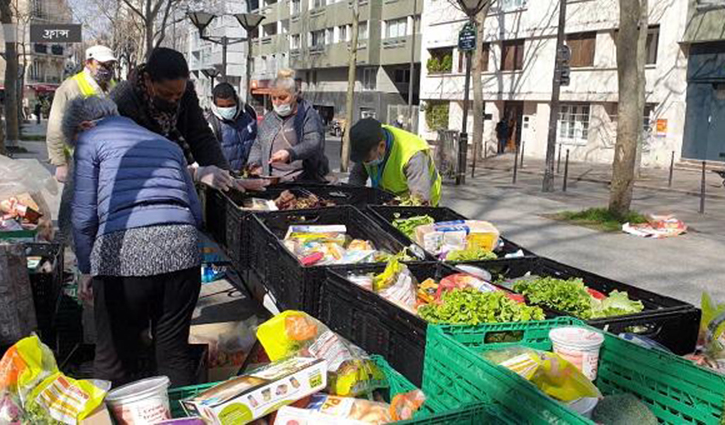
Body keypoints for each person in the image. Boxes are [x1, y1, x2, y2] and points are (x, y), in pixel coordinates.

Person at [65, 96, 203, 388]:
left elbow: (83, 216)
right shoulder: (167, 145)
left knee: (113, 359)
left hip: (121, 253)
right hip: (183, 251)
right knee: (174, 355)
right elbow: (196, 210)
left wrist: (87, 268)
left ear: (86, 125)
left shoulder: (90, 140)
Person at [112, 47, 248, 193]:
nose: (173, 101)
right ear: (147, 80)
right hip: (136, 185)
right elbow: (132, 159)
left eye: (178, 95)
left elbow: (201, 136)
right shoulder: (123, 99)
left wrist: (226, 176)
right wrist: (195, 174)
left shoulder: (188, 94)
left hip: (179, 181)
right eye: (166, 94)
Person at [47, 45, 118, 248]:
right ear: (88, 62)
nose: (107, 69)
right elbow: (55, 126)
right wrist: (59, 162)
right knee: (74, 207)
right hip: (78, 157)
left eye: (111, 65)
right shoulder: (70, 87)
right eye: (103, 64)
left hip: (106, 158)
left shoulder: (112, 86)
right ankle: (72, 248)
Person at [247, 69, 330, 182]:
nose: (277, 102)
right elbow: (258, 144)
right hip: (273, 179)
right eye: (274, 98)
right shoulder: (268, 119)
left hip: (303, 179)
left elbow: (313, 142)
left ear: (294, 96)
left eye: (282, 97)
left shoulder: (308, 115)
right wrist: (254, 163)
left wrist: (290, 153)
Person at [349, 118, 441, 206]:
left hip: (422, 199)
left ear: (382, 146)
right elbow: (357, 175)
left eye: (367, 160)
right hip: (390, 200)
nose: (365, 163)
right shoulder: (370, 141)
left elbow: (420, 201)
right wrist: (353, 197)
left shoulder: (412, 156)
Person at [205, 82, 257, 171]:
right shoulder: (210, 123)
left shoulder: (248, 113)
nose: (226, 109)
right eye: (221, 106)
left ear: (236, 100)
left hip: (250, 174)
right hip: (225, 178)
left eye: (230, 105)